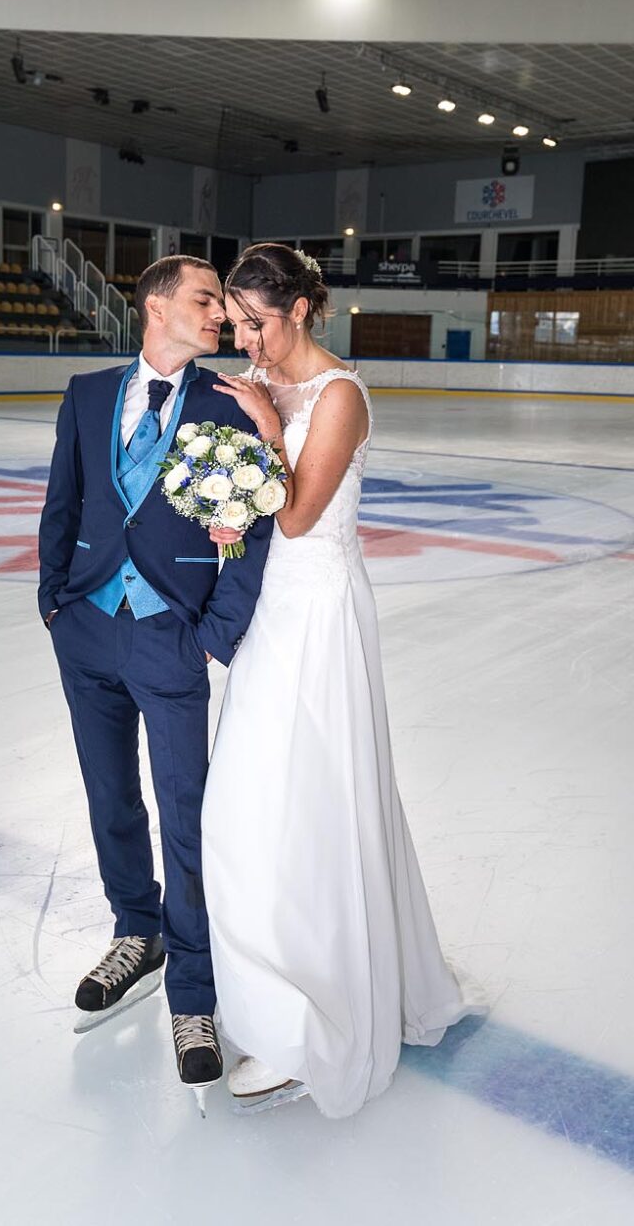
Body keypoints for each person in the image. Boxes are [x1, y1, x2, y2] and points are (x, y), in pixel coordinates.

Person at [202, 242, 484, 1119]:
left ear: (298, 311)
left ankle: (309, 1021)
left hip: (317, 619)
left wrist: (258, 429)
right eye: (235, 324)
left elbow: (294, 513)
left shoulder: (339, 396)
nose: (243, 339)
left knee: (308, 803)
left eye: (254, 323)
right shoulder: (272, 385)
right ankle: (274, 985)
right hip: (266, 621)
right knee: (246, 805)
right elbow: (248, 511)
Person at [38, 255, 273, 1112]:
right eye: (206, 298)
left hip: (173, 638)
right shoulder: (87, 393)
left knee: (186, 812)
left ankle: (196, 996)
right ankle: (135, 931)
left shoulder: (230, 405)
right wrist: (54, 604)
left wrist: (214, 633)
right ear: (156, 305)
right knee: (110, 800)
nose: (220, 312)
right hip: (87, 631)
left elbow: (250, 529)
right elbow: (61, 505)